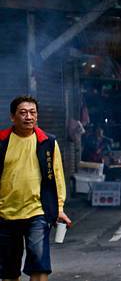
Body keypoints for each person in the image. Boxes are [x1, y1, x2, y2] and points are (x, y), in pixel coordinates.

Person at [0, 96, 72, 281]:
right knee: (8, 270)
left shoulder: (47, 142)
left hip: (37, 212)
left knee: (40, 265)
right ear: (12, 117)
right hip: (5, 214)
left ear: (37, 116)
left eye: (32, 112)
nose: (28, 117)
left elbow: (57, 177)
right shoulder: (2, 141)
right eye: (22, 113)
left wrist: (60, 208)